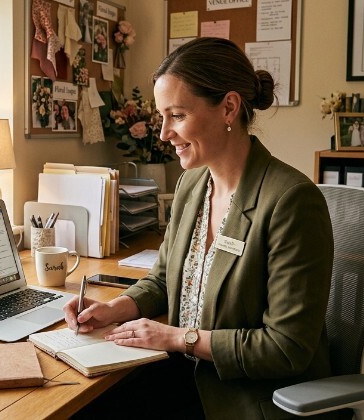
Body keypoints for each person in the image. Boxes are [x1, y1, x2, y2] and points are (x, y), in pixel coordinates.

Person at [64, 37, 334, 419]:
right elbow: (162, 281)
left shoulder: (290, 201)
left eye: (177, 116)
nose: (163, 134)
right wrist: (114, 309)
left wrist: (178, 338)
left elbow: (286, 347)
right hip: (183, 377)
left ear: (228, 108)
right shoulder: (192, 184)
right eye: (161, 117)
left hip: (248, 398)